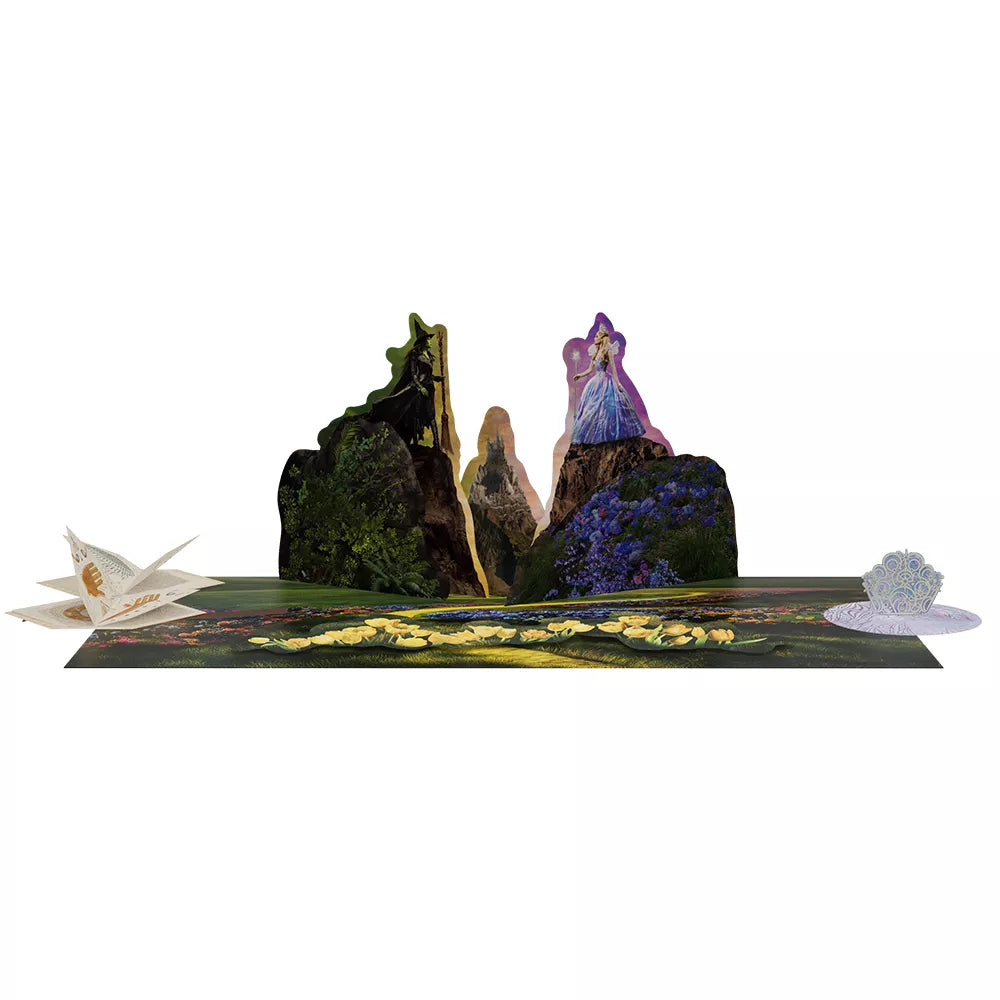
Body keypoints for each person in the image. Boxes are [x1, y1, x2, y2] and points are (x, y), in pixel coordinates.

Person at [571, 324, 646, 444]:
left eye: (597, 336)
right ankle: (595, 435)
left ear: (602, 338)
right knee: (591, 407)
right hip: (595, 381)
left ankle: (609, 434)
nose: (594, 338)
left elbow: (614, 368)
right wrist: (580, 375)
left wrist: (618, 383)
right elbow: (590, 369)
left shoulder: (608, 351)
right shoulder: (595, 352)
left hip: (606, 380)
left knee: (608, 407)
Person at [368, 330, 443, 448]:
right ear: (423, 342)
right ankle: (415, 443)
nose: (430, 341)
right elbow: (414, 374)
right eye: (428, 339)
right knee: (415, 413)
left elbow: (427, 374)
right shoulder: (415, 355)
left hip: (429, 388)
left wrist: (436, 378)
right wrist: (420, 387)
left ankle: (437, 444)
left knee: (431, 414)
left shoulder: (429, 356)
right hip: (417, 389)